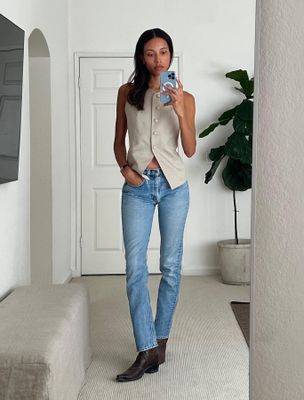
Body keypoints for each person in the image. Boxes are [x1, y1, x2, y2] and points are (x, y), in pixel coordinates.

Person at [113, 27, 196, 382]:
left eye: (164, 52)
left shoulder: (185, 97)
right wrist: (125, 170)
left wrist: (179, 109)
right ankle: (145, 348)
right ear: (141, 57)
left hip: (174, 186)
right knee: (135, 269)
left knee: (171, 267)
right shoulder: (127, 93)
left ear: (171, 56)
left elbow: (190, 149)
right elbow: (118, 141)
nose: (158, 60)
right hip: (139, 187)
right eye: (151, 53)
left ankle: (160, 343)